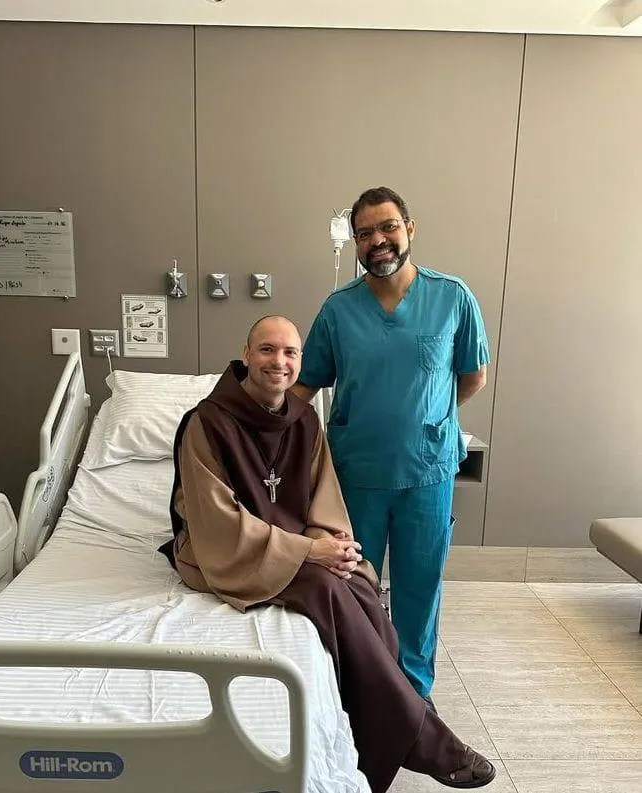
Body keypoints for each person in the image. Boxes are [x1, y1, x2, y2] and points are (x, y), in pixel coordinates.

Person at [159, 315, 495, 793]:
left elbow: (324, 495)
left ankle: (395, 718)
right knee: (322, 584)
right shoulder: (207, 423)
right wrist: (310, 551)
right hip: (223, 550)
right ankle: (421, 735)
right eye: (267, 349)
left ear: (301, 361)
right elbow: (215, 522)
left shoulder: (304, 420)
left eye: (290, 352)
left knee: (358, 578)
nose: (278, 361)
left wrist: (332, 547)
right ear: (246, 354)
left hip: (290, 540)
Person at [291, 187, 489, 707]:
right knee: (353, 586)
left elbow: (473, 375)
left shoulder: (452, 297)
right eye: (364, 233)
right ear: (356, 242)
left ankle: (412, 700)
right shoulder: (338, 310)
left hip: (427, 473)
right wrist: (246, 421)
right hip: (355, 474)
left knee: (419, 590)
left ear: (409, 228)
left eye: (387, 227)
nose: (377, 240)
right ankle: (359, 693)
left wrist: (430, 418)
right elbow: (304, 384)